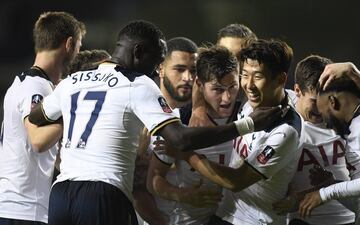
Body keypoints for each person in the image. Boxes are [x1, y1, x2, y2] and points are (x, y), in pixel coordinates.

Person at [26, 20, 284, 225]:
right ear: (139, 52)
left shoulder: (74, 81)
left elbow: (37, 116)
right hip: (103, 192)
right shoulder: (138, 84)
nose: (157, 67)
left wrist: (75, 113)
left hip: (60, 196)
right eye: (157, 58)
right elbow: (180, 139)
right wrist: (249, 125)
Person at [163, 39, 301, 225]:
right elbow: (208, 75)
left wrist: (186, 154)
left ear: (281, 79)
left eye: (258, 77)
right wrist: (198, 107)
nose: (249, 85)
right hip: (225, 215)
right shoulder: (253, 101)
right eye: (244, 75)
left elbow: (236, 181)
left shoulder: (285, 131)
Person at [273, 55, 360, 225]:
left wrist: (352, 72)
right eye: (314, 101)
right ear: (297, 91)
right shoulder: (284, 115)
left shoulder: (339, 114)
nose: (321, 108)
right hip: (304, 220)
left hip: (349, 217)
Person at [0, 11, 85, 225]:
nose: (78, 52)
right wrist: (76, 112)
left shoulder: (23, 83)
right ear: (69, 44)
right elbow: (37, 141)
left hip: (18, 207)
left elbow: (47, 154)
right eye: (79, 46)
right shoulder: (35, 86)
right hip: (24, 210)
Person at [147, 45, 241, 224]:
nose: (227, 98)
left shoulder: (247, 113)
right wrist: (184, 196)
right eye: (218, 89)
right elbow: (153, 179)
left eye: (232, 87)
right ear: (199, 85)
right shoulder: (179, 122)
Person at [132, 37, 198, 225]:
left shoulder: (192, 117)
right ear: (161, 68)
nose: (188, 78)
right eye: (179, 69)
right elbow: (136, 190)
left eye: (193, 71)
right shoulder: (140, 116)